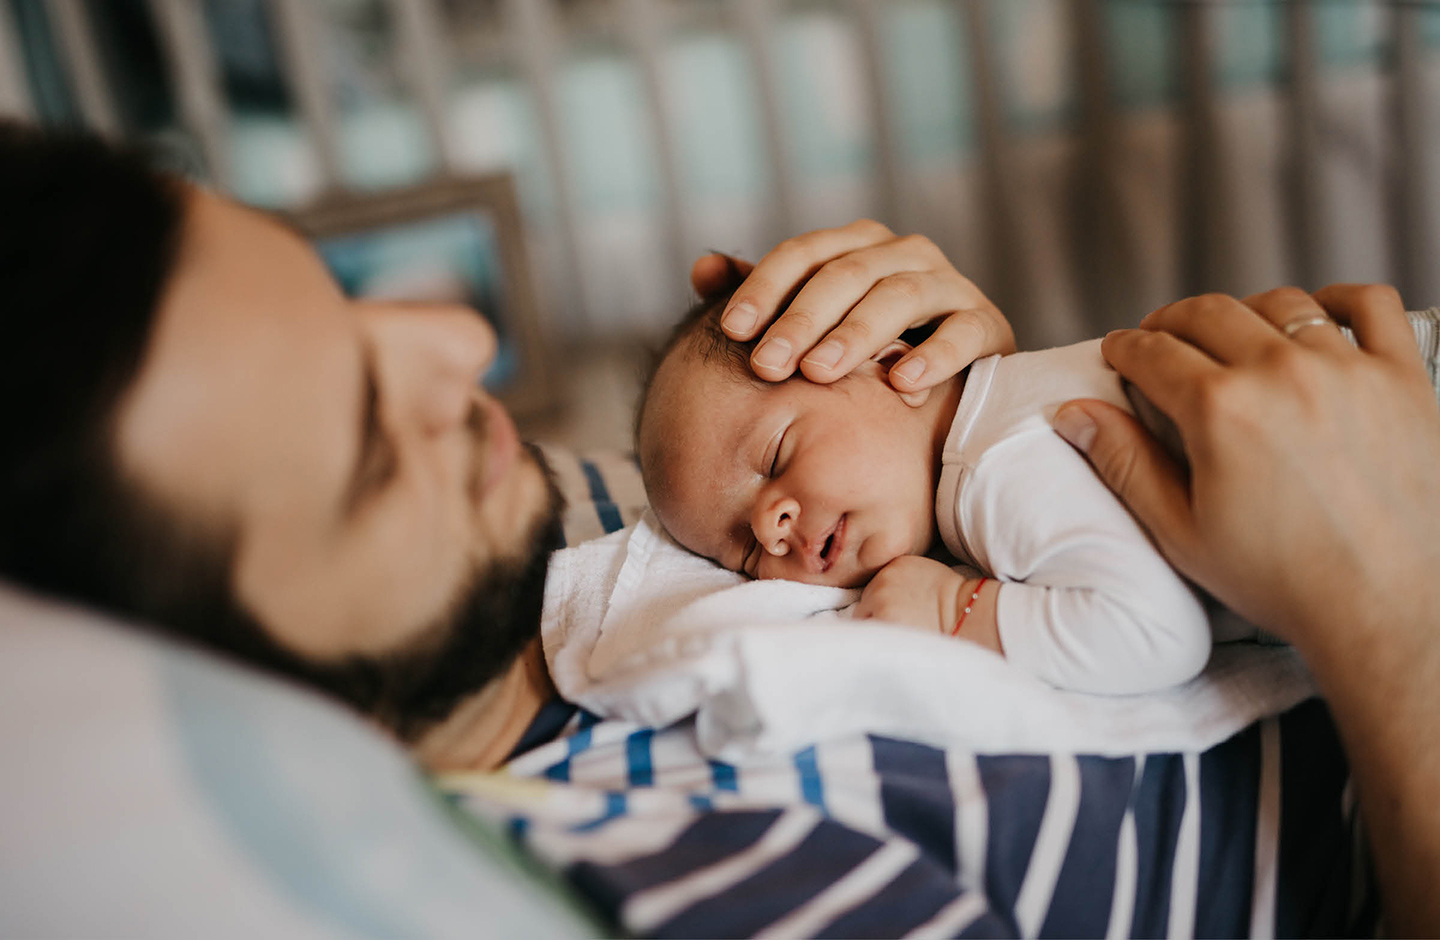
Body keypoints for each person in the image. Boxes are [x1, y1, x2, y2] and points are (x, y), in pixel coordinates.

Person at [636, 268, 1213, 694]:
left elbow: (1161, 636)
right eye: (743, 553)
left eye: (776, 456)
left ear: (886, 359)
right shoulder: (1014, 397)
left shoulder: (994, 469)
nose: (770, 529)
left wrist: (956, 608)